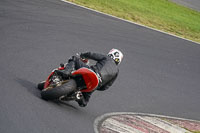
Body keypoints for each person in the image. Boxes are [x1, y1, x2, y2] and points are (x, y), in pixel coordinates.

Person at [56, 49, 123, 107]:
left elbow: (92, 54)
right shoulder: (116, 71)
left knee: (74, 58)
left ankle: (66, 72)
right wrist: (98, 86)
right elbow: (106, 87)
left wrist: (82, 55)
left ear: (111, 54)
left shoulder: (107, 58)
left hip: (91, 72)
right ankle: (79, 97)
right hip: (95, 84)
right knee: (84, 102)